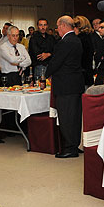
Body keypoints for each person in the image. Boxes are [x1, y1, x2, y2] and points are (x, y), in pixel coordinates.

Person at [46, 16, 85, 158]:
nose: (57, 29)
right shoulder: (77, 40)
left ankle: (69, 148)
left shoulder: (65, 42)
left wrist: (47, 74)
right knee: (74, 117)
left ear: (63, 25)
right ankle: (74, 144)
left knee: (66, 117)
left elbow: (56, 62)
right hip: (75, 84)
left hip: (65, 85)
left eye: (57, 26)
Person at [73, 15, 95, 87]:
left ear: (79, 27)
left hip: (81, 75)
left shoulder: (79, 40)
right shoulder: (90, 36)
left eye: (74, 27)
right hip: (88, 73)